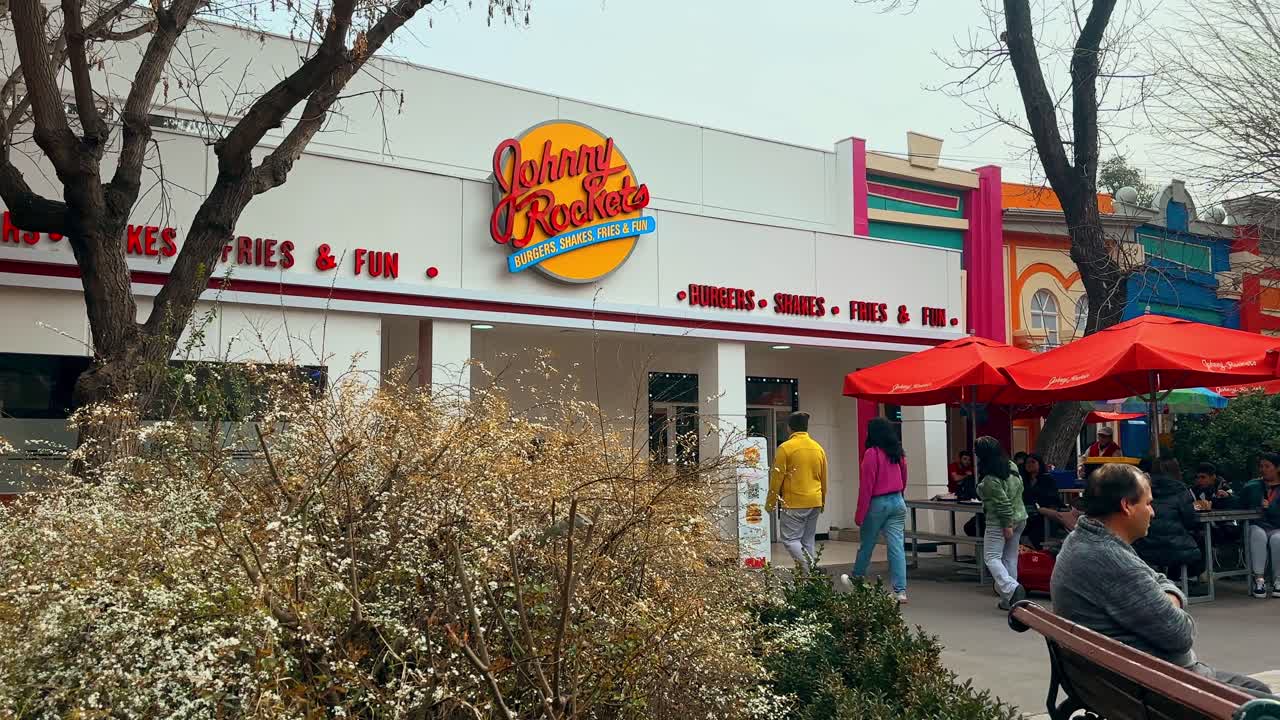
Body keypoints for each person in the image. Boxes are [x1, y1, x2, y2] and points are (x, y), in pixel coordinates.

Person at [1051, 463, 1271, 695]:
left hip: (1120, 680)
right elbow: (1180, 634)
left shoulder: (1085, 539)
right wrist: (1171, 596)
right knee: (1264, 706)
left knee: (1257, 689)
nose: (1153, 512)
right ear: (1126, 506)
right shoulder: (1108, 558)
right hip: (1159, 687)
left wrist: (1167, 594)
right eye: (1147, 503)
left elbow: (1158, 579)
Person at [846, 417, 909, 603]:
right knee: (897, 546)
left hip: (877, 502)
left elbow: (866, 486)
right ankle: (900, 591)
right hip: (898, 500)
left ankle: (857, 579)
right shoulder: (897, 452)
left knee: (867, 544)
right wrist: (899, 494)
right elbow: (904, 477)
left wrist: (860, 514)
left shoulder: (872, 454)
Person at [766, 412, 828, 567]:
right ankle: (808, 577)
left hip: (794, 502)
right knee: (807, 541)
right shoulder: (818, 448)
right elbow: (824, 478)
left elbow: (777, 478)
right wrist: (822, 501)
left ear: (789, 427)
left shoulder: (785, 448)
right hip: (815, 501)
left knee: (790, 539)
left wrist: (771, 502)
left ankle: (812, 570)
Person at [1132, 457, 1204, 584]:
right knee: (1200, 538)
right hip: (1176, 548)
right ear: (1176, 470)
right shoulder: (1180, 490)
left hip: (1146, 546)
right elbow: (1190, 521)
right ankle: (1193, 577)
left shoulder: (1143, 488)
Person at [976, 436, 1027, 610]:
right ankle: (1009, 600)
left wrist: (1007, 525)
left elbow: (1003, 504)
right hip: (1020, 516)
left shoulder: (990, 479)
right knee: (1009, 558)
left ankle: (1012, 588)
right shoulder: (1012, 466)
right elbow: (1020, 489)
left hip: (1000, 521)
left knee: (991, 557)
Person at [1241, 451, 1280, 599]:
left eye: (1267, 466)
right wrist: (1225, 497)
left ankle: (1278, 580)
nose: (1263, 469)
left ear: (1277, 468)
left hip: (1277, 526)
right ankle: (1259, 580)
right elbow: (1239, 503)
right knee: (1258, 534)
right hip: (1257, 525)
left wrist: (1270, 507)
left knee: (1278, 539)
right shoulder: (1253, 486)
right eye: (1261, 466)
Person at [1021, 453, 1078, 549]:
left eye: (1033, 462)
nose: (1029, 464)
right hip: (1027, 511)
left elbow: (1053, 498)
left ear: (1039, 464)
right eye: (1027, 462)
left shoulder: (1047, 479)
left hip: (1045, 512)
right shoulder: (1023, 481)